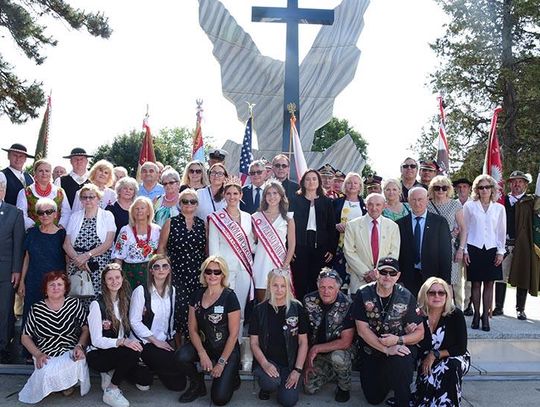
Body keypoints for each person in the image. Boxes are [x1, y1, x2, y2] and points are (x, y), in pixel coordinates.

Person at [353, 257, 424, 407]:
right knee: (373, 398)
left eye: (392, 273)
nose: (387, 277)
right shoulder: (363, 294)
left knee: (403, 355)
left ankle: (402, 400)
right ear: (376, 273)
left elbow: (420, 332)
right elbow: (362, 330)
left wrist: (398, 341)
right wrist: (386, 349)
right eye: (383, 272)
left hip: (396, 348)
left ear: (398, 276)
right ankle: (391, 380)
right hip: (372, 351)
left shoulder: (406, 296)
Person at [176, 256, 241, 405]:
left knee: (219, 399)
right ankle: (197, 385)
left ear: (223, 274)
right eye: (209, 271)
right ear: (204, 274)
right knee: (181, 356)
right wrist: (202, 353)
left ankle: (232, 375)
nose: (212, 275)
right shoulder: (197, 295)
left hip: (226, 349)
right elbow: (192, 329)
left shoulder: (230, 297)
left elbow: (233, 335)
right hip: (205, 345)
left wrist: (221, 363)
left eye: (217, 272)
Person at [87, 263, 152, 407]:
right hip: (99, 354)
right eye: (110, 279)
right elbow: (96, 340)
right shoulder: (97, 305)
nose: (114, 281)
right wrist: (122, 342)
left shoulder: (126, 301)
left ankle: (112, 372)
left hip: (118, 351)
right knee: (132, 352)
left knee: (145, 379)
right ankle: (111, 389)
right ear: (104, 281)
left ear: (123, 279)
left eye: (117, 277)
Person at [19, 272, 90, 403]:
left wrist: (80, 346)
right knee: (45, 374)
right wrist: (38, 354)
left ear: (65, 288)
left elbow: (85, 329)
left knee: (77, 361)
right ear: (45, 289)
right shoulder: (36, 309)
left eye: (59, 284)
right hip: (47, 353)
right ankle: (59, 384)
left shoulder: (74, 304)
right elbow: (25, 337)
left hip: (70, 350)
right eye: (52, 285)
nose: (56, 288)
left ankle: (67, 384)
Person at [249, 269, 309, 406]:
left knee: (288, 401)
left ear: (288, 287)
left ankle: (284, 382)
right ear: (269, 285)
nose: (279, 289)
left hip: (290, 363)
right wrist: (265, 364)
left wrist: (297, 370)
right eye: (275, 285)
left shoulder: (297, 308)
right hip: (268, 360)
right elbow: (253, 343)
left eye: (283, 286)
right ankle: (268, 387)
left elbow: (303, 342)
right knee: (270, 382)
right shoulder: (259, 310)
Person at [129, 255, 188, 392]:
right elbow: (134, 321)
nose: (161, 270)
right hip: (144, 342)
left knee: (179, 384)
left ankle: (152, 366)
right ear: (151, 271)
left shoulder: (172, 291)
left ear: (169, 270)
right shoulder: (141, 291)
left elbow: (171, 318)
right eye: (157, 266)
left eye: (165, 266)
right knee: (171, 383)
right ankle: (138, 366)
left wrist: (170, 338)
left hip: (162, 341)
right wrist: (155, 341)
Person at [413, 277, 470, 407]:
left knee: (450, 366)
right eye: (432, 293)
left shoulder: (456, 315)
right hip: (427, 359)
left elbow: (461, 348)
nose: (437, 296)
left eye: (441, 292)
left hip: (454, 355)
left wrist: (435, 354)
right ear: (424, 295)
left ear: (447, 295)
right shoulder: (417, 315)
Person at [158, 188, 206, 339]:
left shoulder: (202, 224)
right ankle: (179, 349)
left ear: (197, 204)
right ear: (180, 204)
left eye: (193, 201)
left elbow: (206, 251)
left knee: (197, 310)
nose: (189, 204)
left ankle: (194, 346)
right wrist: (164, 270)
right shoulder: (170, 223)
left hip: (197, 275)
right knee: (179, 310)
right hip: (177, 274)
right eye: (185, 201)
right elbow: (161, 249)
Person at [208, 178, 255, 329]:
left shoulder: (248, 217)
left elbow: (251, 245)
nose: (232, 197)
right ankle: (223, 342)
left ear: (241, 195)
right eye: (228, 193)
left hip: (244, 268)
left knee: (239, 308)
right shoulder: (216, 218)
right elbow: (213, 247)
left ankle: (238, 343)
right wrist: (217, 270)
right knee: (224, 307)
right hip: (225, 269)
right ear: (224, 195)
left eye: (235, 193)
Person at [303, 268, 355, 402]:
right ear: (317, 286)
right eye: (322, 287)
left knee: (338, 358)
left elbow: (346, 342)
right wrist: (306, 358)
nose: (326, 291)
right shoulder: (309, 300)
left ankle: (344, 387)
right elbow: (303, 334)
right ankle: (332, 372)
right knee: (309, 388)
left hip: (341, 350)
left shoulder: (347, 304)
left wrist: (316, 349)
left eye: (331, 287)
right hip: (318, 353)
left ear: (338, 288)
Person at [463, 175, 506, 331]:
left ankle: (486, 318)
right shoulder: (469, 206)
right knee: (475, 283)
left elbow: (501, 231)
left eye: (487, 187)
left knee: (489, 283)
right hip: (474, 247)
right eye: (481, 187)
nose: (484, 190)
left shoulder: (499, 208)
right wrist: (465, 250)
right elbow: (465, 229)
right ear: (476, 190)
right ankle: (476, 315)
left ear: (492, 189)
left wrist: (501, 252)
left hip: (492, 248)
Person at [495, 170, 539, 320]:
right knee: (500, 276)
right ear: (510, 185)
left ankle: (520, 309)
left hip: (523, 245)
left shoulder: (530, 202)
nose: (517, 184)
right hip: (504, 245)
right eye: (514, 181)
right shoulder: (502, 201)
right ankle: (498, 307)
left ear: (526, 185)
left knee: (523, 275)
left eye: (520, 181)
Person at [18, 198, 66, 330]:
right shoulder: (32, 233)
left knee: (52, 319)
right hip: (33, 282)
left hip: (54, 286)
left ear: (55, 214)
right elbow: (27, 258)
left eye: (49, 212)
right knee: (30, 317)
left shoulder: (62, 235)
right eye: (41, 212)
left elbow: (67, 261)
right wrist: (22, 281)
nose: (45, 215)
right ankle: (28, 349)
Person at [64, 184, 116, 303]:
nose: (88, 200)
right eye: (84, 197)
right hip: (77, 265)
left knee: (97, 301)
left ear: (98, 198)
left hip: (98, 265)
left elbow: (108, 243)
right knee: (76, 298)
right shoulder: (74, 217)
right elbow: (66, 244)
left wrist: (87, 256)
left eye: (91, 197)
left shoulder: (107, 215)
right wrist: (79, 260)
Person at [396, 187, 452, 297]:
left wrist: (445, 281)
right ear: (408, 200)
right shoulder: (400, 224)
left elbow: (446, 253)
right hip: (408, 277)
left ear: (427, 199)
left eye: (420, 199)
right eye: (414, 200)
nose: (417, 203)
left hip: (433, 276)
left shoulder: (439, 222)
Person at [290, 169, 337, 300]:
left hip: (320, 248)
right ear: (303, 182)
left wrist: (331, 249)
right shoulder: (295, 200)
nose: (311, 182)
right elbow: (288, 226)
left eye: (314, 179)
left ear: (319, 182)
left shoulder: (326, 202)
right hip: (299, 246)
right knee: (300, 281)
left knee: (317, 281)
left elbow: (331, 227)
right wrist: (290, 248)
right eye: (308, 179)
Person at [343, 193, 401, 295]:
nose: (374, 208)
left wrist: (379, 272)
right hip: (359, 280)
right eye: (370, 204)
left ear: (384, 206)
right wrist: (366, 273)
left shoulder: (393, 226)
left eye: (378, 205)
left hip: (384, 280)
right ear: (365, 205)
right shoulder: (352, 225)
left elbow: (394, 253)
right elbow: (349, 252)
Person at [427, 176, 467, 307]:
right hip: (431, 247)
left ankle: (450, 313)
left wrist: (461, 249)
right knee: (432, 282)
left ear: (448, 189)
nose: (440, 191)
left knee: (448, 283)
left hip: (450, 248)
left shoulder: (455, 204)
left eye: (444, 188)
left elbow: (463, 228)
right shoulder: (427, 204)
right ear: (432, 189)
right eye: (437, 188)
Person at [252, 181, 295, 302]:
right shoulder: (256, 217)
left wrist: (285, 266)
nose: (272, 197)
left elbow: (292, 245)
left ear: (281, 196)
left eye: (275, 193)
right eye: (268, 194)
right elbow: (252, 241)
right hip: (261, 263)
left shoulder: (288, 217)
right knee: (262, 302)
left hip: (280, 263)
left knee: (281, 300)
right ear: (264, 197)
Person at [0, 173, 25, 364]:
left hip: (6, 271)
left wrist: (17, 270)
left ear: (3, 190)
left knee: (4, 309)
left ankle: (3, 346)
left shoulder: (14, 213)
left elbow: (18, 245)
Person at [112, 197, 160, 289]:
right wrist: (118, 276)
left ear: (149, 211)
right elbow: (118, 257)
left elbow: (161, 253)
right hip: (130, 273)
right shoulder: (125, 230)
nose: (139, 211)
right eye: (136, 209)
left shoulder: (157, 230)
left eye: (142, 208)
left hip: (152, 273)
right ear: (132, 212)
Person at [332, 172, 367, 287]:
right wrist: (336, 226)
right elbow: (328, 222)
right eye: (349, 183)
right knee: (339, 278)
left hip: (358, 246)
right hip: (339, 247)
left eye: (355, 183)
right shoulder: (336, 203)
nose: (352, 185)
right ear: (344, 185)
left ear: (360, 186)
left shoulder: (366, 205)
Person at [16, 158, 71, 230]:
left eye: (47, 171)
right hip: (33, 233)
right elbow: (21, 214)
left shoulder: (60, 192)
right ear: (35, 173)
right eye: (40, 171)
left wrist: (60, 227)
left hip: (57, 233)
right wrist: (34, 228)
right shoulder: (25, 192)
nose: (44, 173)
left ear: (51, 174)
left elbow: (66, 212)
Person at [453, 177, 473, 314]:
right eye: (459, 187)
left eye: (464, 186)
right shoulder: (452, 204)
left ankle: (468, 305)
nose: (462, 189)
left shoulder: (474, 204)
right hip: (455, 243)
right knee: (455, 277)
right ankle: (458, 306)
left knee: (469, 279)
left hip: (471, 244)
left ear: (469, 188)